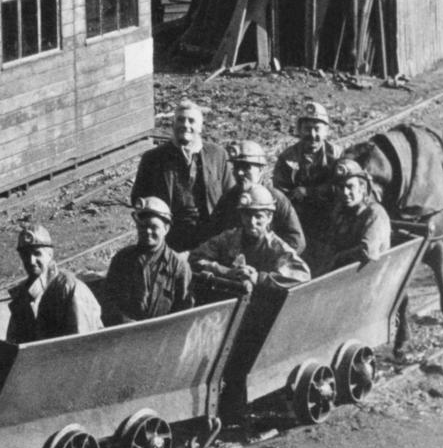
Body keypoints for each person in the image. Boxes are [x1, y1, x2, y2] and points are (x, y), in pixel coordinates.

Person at [130, 99, 235, 252]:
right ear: (173, 124)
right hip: (171, 235)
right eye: (180, 120)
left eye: (191, 121)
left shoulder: (217, 155)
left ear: (200, 127)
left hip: (210, 233)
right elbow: (138, 198)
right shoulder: (153, 158)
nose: (185, 125)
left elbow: (230, 195)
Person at [190, 184, 311, 290]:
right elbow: (194, 258)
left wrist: (259, 278)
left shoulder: (276, 247)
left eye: (258, 217)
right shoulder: (228, 238)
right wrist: (226, 272)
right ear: (241, 215)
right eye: (247, 215)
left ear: (269, 218)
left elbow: (302, 276)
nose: (252, 222)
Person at [6, 225, 103, 343]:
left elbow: (83, 344)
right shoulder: (23, 297)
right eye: (25, 255)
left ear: (50, 254)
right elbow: (14, 344)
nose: (31, 260)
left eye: (37, 253)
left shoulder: (69, 289)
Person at [104, 197, 194, 324]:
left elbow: (185, 310)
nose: (147, 231)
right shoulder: (122, 259)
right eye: (143, 226)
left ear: (166, 229)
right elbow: (108, 301)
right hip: (126, 332)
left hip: (164, 332)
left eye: (153, 227)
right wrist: (123, 320)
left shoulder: (179, 266)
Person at [204, 140, 306, 253]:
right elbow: (212, 233)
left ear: (261, 170)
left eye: (246, 167)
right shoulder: (229, 198)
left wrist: (272, 257)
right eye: (236, 167)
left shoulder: (276, 199)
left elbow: (297, 241)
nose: (240, 173)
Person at [273, 101, 342, 240]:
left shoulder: (337, 155)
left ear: (326, 131)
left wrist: (310, 192)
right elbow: (281, 195)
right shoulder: (287, 158)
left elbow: (345, 187)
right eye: (307, 129)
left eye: (317, 129)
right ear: (299, 130)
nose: (312, 134)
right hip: (300, 219)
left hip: (332, 216)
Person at [324, 158, 392, 272]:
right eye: (341, 187)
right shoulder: (342, 211)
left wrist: (338, 258)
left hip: (368, 274)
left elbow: (367, 251)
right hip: (345, 273)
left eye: (350, 187)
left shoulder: (375, 213)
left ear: (362, 187)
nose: (345, 192)